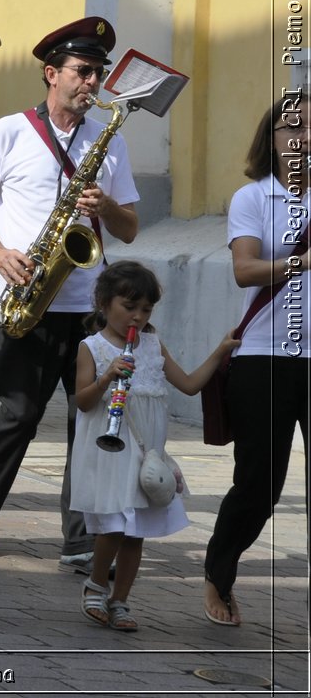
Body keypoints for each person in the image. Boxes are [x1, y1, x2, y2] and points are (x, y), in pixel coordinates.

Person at [0, 17, 140, 569]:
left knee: (90, 418)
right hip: (28, 297)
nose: (92, 84)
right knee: (18, 415)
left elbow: (129, 228)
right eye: (83, 73)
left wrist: (104, 207)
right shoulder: (9, 131)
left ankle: (79, 532)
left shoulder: (110, 144)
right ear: (51, 73)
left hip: (89, 303)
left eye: (98, 75)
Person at [70, 261, 234, 631]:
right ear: (103, 302)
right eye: (129, 307)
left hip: (147, 453)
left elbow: (190, 384)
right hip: (109, 451)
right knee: (113, 524)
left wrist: (221, 350)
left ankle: (121, 601)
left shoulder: (153, 345)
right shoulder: (91, 347)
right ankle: (96, 585)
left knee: (136, 530)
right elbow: (82, 401)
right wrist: (107, 376)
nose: (138, 317)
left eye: (146, 309)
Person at [203, 93, 311, 627]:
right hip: (265, 358)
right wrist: (301, 259)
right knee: (259, 486)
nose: (304, 139)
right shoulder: (253, 198)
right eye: (294, 130)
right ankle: (219, 573)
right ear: (271, 138)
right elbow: (244, 271)